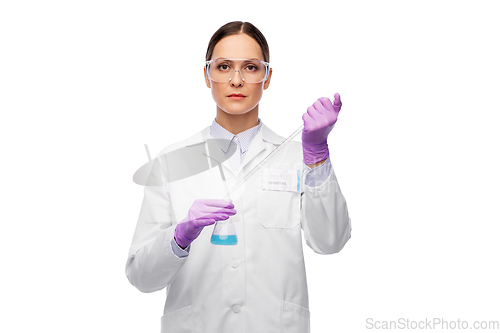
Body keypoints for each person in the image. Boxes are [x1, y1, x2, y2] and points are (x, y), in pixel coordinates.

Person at [125, 21, 351, 333]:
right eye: (223, 66)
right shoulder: (171, 162)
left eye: (250, 67)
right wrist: (179, 237)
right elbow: (142, 277)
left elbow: (331, 241)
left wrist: (316, 154)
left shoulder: (297, 159)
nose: (236, 80)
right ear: (207, 75)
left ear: (267, 77)